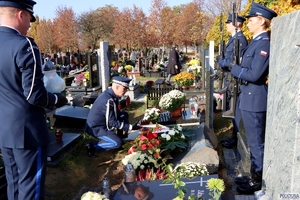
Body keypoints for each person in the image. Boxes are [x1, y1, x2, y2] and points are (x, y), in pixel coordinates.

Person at [0, 1, 68, 199]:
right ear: (21, 14)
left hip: (4, 129)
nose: (30, 24)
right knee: (31, 187)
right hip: (28, 130)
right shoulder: (24, 44)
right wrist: (57, 99)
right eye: (30, 18)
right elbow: (34, 95)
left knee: (13, 185)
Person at [226, 2, 277, 194]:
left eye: (251, 20)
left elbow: (255, 74)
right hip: (248, 98)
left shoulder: (263, 43)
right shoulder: (256, 41)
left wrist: (236, 69)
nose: (247, 24)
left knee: (256, 143)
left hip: (255, 99)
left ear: (262, 22)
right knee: (253, 142)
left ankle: (257, 183)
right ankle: (254, 175)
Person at [84, 76, 142, 157]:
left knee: (124, 114)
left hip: (101, 124)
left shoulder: (111, 95)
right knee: (116, 143)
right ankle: (92, 146)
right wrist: (130, 127)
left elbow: (117, 113)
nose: (126, 91)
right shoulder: (108, 100)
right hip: (96, 128)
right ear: (117, 87)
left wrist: (126, 124)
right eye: (124, 89)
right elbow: (111, 122)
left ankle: (121, 137)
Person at [218, 13, 248, 149]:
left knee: (236, 112)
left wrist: (221, 61)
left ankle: (236, 139)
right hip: (230, 79)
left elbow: (231, 61)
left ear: (237, 24)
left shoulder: (240, 40)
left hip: (235, 79)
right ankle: (233, 137)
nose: (227, 25)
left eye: (229, 23)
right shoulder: (233, 38)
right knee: (233, 110)